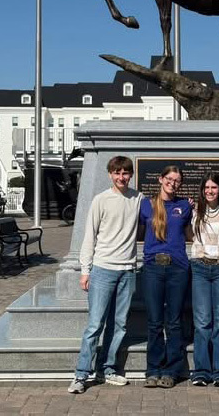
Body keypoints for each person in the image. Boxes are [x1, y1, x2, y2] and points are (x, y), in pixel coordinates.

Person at [68, 156, 142, 395]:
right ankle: (81, 375)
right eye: (117, 173)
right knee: (95, 325)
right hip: (102, 270)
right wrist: (85, 270)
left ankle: (107, 369)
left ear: (130, 175)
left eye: (125, 173)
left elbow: (161, 209)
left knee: (119, 325)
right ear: (110, 174)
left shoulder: (138, 198)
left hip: (128, 270)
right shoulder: (100, 200)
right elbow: (88, 237)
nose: (121, 177)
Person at [139, 165, 192, 388]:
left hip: (177, 269)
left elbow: (190, 233)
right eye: (169, 178)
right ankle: (153, 369)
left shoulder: (184, 206)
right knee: (153, 322)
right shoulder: (146, 205)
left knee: (173, 322)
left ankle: (172, 370)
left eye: (177, 180)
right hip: (152, 268)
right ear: (161, 179)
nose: (173, 183)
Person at [189, 172, 219, 387]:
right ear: (202, 190)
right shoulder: (195, 210)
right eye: (206, 188)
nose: (209, 191)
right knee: (201, 322)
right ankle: (200, 371)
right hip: (199, 268)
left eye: (214, 188)